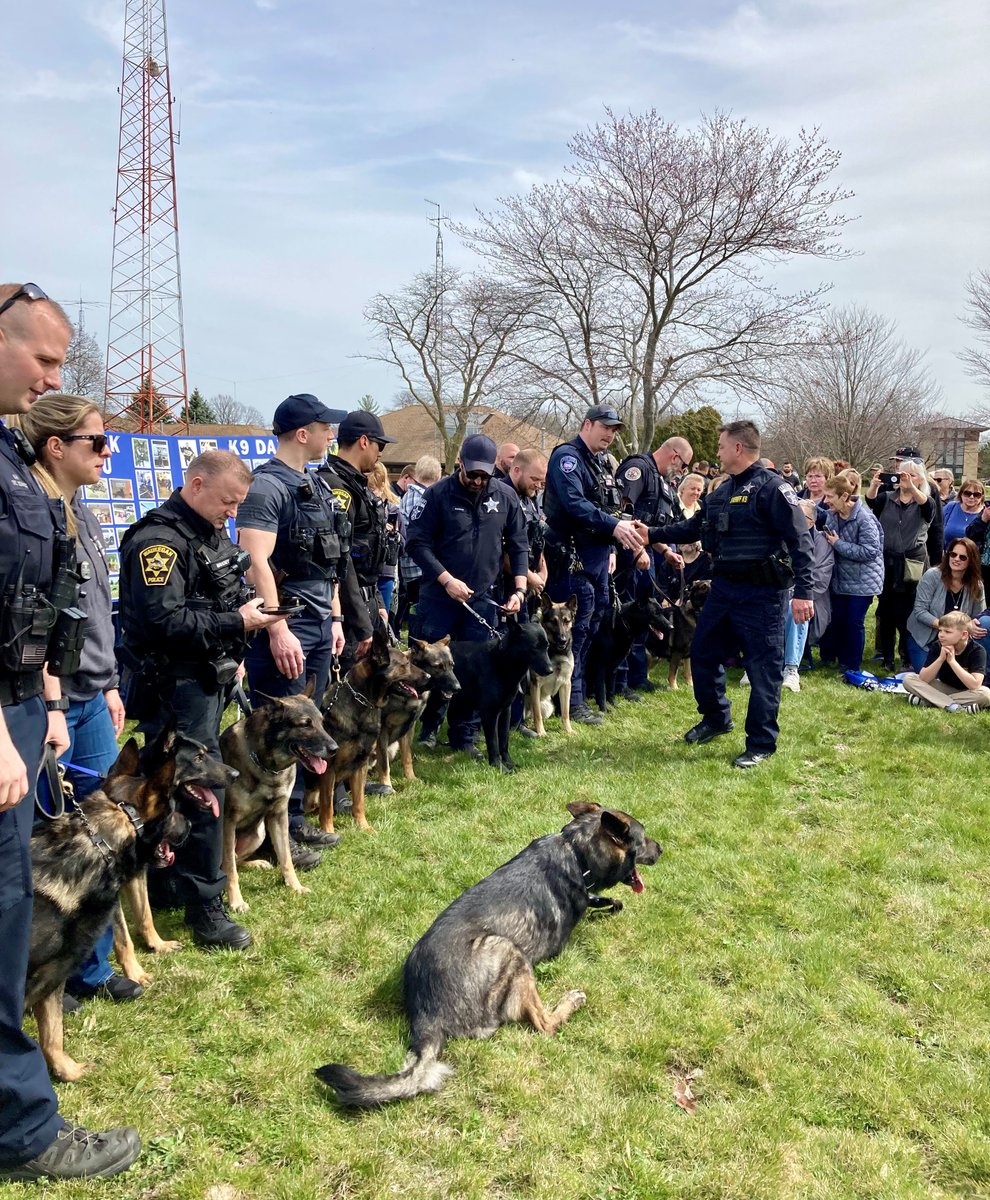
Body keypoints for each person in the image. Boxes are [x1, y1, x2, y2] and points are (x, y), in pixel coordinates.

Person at [0, 281, 141, 1182]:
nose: (53, 375)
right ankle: (23, 1130)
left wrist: (43, 702)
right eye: (45, 357)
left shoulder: (22, 472)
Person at [119, 450, 280, 949]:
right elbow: (164, 623)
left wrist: (243, 626)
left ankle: (174, 882)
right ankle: (205, 903)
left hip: (208, 680)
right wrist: (240, 622)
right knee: (200, 789)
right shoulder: (159, 542)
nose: (233, 513)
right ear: (196, 484)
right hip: (175, 687)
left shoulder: (207, 534)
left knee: (180, 789)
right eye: (228, 502)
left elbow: (219, 596)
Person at [14, 394, 140, 1003]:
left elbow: (91, 614)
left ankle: (89, 971)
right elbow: (30, 627)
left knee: (103, 835)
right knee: (49, 844)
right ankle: (43, 974)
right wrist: (55, 706)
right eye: (97, 441)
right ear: (56, 447)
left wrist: (111, 682)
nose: (109, 451)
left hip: (94, 693)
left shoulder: (80, 511)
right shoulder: (29, 513)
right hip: (53, 703)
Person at [637, 420, 814, 768]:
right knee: (702, 652)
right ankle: (716, 718)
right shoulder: (720, 493)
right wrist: (651, 533)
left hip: (762, 594)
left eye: (720, 446)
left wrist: (804, 591)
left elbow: (800, 540)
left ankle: (761, 743)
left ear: (737, 448)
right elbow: (693, 527)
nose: (716, 452)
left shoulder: (772, 489)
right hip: (724, 589)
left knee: (763, 669)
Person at [236, 395, 348, 859]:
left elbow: (329, 564)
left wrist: (337, 617)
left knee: (308, 726)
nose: (332, 436)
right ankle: (268, 832)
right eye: (326, 428)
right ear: (303, 433)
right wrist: (277, 629)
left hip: (320, 621)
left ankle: (294, 818)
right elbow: (254, 559)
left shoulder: (315, 484)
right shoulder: (267, 486)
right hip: (288, 625)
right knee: (278, 730)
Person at [405, 434, 529, 755]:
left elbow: (518, 545)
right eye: (471, 473)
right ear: (459, 462)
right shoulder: (437, 496)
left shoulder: (505, 497)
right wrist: (446, 579)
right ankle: (424, 727)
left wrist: (519, 588)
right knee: (432, 668)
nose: (476, 481)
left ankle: (464, 735)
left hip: (481, 600)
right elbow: (417, 543)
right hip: (440, 598)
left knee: (474, 672)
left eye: (483, 475)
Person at [543, 405, 648, 726]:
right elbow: (575, 504)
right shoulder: (568, 457)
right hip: (572, 558)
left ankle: (581, 691)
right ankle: (571, 703)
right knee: (575, 628)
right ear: (587, 424)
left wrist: (614, 542)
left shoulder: (601, 462)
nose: (610, 435)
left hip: (598, 558)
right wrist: (613, 528)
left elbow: (609, 507)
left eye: (615, 430)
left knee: (594, 624)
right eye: (605, 427)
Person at [318, 410, 398, 669]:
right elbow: (344, 561)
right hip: (349, 612)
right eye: (380, 445)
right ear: (364, 441)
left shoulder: (356, 484)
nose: (381, 453)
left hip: (367, 603)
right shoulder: (337, 487)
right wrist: (362, 624)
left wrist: (378, 605)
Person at [614, 436, 692, 695]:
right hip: (628, 558)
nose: (683, 472)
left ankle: (637, 677)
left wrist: (666, 551)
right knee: (628, 620)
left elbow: (649, 525)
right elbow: (623, 515)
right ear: (674, 456)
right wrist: (637, 550)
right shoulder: (637, 470)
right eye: (684, 466)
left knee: (646, 619)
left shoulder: (659, 479)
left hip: (646, 555)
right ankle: (620, 682)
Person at [865, 457, 934, 672]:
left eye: (911, 475)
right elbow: (871, 502)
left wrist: (912, 487)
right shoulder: (888, 498)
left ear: (920, 479)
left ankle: (906, 655)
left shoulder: (925, 501)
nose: (905, 479)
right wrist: (874, 486)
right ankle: (886, 656)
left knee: (908, 612)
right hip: (888, 560)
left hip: (912, 562)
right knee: (885, 611)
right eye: (903, 474)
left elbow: (927, 507)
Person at [818, 474, 884, 671]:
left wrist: (838, 544)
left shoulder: (864, 518)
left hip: (863, 581)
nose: (825, 501)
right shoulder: (832, 514)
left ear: (844, 496)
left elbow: (871, 551)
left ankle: (852, 664)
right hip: (841, 578)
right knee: (838, 620)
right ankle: (835, 659)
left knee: (854, 623)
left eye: (830, 496)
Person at [905, 538, 985, 672]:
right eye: (952, 554)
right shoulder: (932, 575)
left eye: (963, 557)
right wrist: (947, 628)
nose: (956, 559)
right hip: (925, 641)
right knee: (930, 678)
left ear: (971, 561)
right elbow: (920, 611)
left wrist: (971, 626)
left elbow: (978, 616)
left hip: (958, 643)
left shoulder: (977, 586)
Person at [780, 499, 833, 692]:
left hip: (813, 603)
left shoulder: (822, 544)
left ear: (810, 521)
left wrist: (793, 593)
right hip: (780, 594)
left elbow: (818, 580)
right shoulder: (781, 538)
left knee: (797, 607)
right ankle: (759, 663)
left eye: (798, 517)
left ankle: (791, 669)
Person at [903, 610, 990, 712]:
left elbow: (975, 685)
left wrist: (952, 662)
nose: (941, 635)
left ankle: (931, 701)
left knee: (986, 694)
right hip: (944, 687)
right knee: (909, 679)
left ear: (964, 635)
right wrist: (940, 659)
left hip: (968, 692)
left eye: (947, 632)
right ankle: (956, 707)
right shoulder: (938, 646)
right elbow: (924, 678)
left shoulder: (977, 651)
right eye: (940, 631)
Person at [394, 454, 441, 637]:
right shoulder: (423, 500)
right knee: (422, 614)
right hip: (420, 567)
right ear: (437, 476)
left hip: (410, 567)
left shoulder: (407, 496)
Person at [368, 462, 402, 618]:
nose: (371, 494)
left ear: (382, 486)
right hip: (366, 569)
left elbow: (405, 544)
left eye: (373, 489)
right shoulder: (363, 506)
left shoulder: (393, 509)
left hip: (386, 571)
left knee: (382, 618)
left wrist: (394, 535)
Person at [941, 478, 985, 543]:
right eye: (967, 493)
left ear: (981, 497)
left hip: (974, 553)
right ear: (961, 494)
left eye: (976, 495)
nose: (971, 497)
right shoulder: (951, 507)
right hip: (949, 552)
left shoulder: (985, 514)